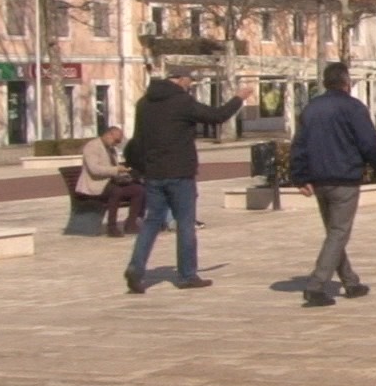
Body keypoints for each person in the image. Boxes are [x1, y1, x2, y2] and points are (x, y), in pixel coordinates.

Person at [124, 66, 251, 294]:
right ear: (181, 79)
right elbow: (217, 116)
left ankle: (136, 266)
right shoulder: (182, 102)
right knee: (185, 223)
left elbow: (138, 141)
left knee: (152, 222)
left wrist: (142, 169)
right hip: (180, 172)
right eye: (190, 81)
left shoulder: (144, 103)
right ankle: (187, 275)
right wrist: (238, 98)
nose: (190, 85)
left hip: (153, 173)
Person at [289, 63, 376, 308]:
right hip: (344, 177)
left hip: (319, 178)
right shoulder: (353, 107)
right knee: (338, 233)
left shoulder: (311, 109)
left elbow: (299, 145)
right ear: (347, 83)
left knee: (335, 232)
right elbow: (370, 144)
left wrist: (300, 177)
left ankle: (350, 282)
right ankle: (316, 286)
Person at [78, 125, 144, 238]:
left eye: (119, 141)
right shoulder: (92, 146)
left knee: (138, 190)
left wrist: (124, 172)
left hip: (109, 182)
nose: (117, 143)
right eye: (116, 140)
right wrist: (116, 169)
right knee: (116, 191)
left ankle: (131, 224)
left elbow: (114, 167)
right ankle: (111, 227)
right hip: (95, 184)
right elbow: (94, 169)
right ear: (109, 134)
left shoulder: (111, 149)